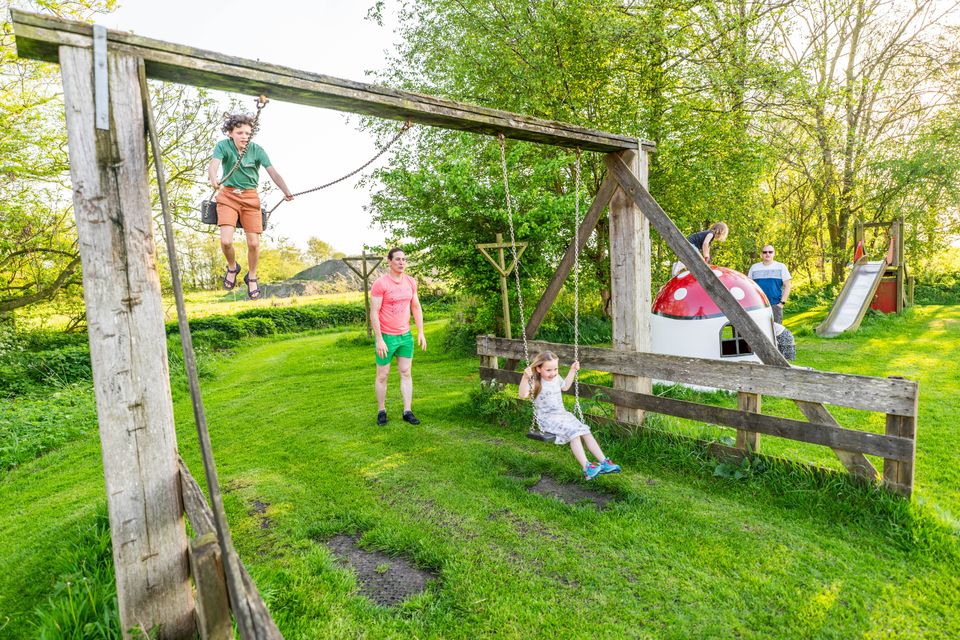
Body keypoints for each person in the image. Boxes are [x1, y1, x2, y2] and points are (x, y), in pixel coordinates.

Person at [208, 113, 294, 300]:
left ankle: (252, 276)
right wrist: (213, 178)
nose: (244, 136)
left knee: (254, 243)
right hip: (228, 195)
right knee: (226, 241)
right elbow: (213, 165)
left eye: (248, 133)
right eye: (240, 133)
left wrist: (286, 190)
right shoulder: (223, 146)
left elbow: (273, 173)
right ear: (230, 133)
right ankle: (233, 267)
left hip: (250, 197)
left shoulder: (257, 150)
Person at [518, 351, 622, 481]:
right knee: (575, 434)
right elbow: (522, 394)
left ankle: (604, 462)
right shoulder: (535, 382)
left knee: (585, 431)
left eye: (555, 369)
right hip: (547, 419)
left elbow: (565, 386)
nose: (553, 373)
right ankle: (587, 468)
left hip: (562, 415)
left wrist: (572, 370)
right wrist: (525, 378)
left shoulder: (556, 378)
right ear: (538, 369)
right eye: (548, 370)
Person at [371, 248, 427, 426]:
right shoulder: (380, 284)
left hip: (405, 336)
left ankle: (407, 411)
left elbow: (416, 307)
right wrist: (379, 339)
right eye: (397, 259)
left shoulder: (410, 282)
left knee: (406, 372)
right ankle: (381, 411)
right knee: (382, 375)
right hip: (386, 337)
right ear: (389, 261)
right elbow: (374, 312)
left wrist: (421, 332)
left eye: (404, 259)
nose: (401, 262)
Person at [748, 244, 792, 323]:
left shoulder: (781, 267)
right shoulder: (754, 268)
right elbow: (749, 286)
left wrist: (782, 303)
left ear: (774, 253)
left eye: (770, 252)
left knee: (776, 329)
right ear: (761, 254)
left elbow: (787, 286)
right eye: (765, 252)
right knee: (759, 328)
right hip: (758, 305)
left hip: (775, 305)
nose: (767, 254)